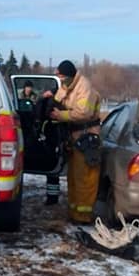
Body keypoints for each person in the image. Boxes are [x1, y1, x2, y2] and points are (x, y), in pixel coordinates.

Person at [43, 59, 102, 222]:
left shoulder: (84, 87)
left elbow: (84, 113)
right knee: (74, 176)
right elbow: (59, 98)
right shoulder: (67, 85)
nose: (61, 81)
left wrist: (60, 115)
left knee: (85, 178)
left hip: (87, 137)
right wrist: (51, 98)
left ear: (70, 75)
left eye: (62, 77)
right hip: (75, 137)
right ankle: (74, 211)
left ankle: (83, 215)